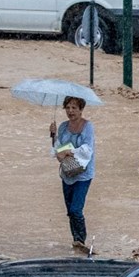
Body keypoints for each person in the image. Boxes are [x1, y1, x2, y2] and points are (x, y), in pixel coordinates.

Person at [49, 96, 96, 255]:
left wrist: (70, 151)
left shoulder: (87, 127)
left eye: (74, 108)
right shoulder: (62, 127)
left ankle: (81, 239)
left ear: (81, 109)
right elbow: (57, 149)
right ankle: (75, 240)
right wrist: (53, 136)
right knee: (70, 210)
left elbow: (87, 149)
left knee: (76, 209)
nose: (70, 111)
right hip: (67, 174)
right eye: (68, 108)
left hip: (83, 174)